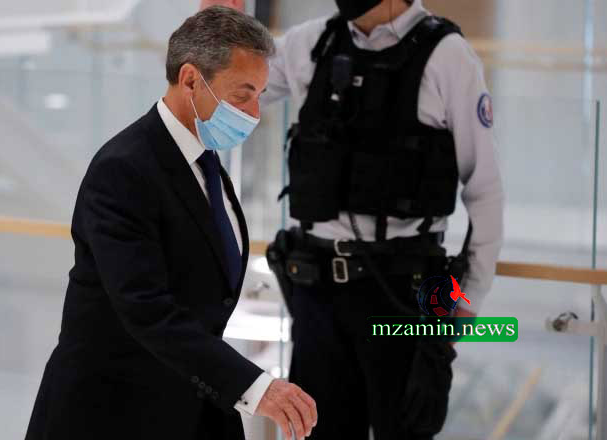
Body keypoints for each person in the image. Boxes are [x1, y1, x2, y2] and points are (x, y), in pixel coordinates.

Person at [201, 0, 504, 438]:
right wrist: (216, 33)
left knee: (405, 428)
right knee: (317, 429)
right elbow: (223, 96)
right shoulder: (311, 43)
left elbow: (485, 188)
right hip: (316, 292)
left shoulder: (447, 55)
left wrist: (466, 303)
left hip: (405, 293)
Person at [25, 7, 317, 440]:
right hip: (108, 414)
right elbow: (146, 309)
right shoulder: (122, 170)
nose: (255, 112)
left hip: (188, 405)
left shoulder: (207, 164)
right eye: (243, 94)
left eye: (259, 94)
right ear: (191, 79)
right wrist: (256, 387)